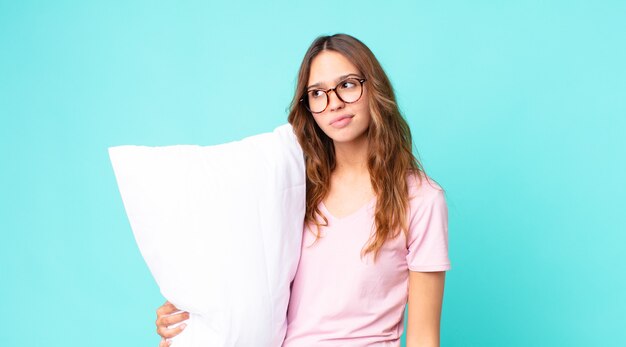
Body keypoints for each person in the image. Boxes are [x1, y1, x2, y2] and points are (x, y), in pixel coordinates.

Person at [155, 33, 450, 347]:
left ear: (373, 88)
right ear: (308, 106)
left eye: (348, 84)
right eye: (317, 93)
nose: (334, 102)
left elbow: (423, 337)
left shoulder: (421, 199)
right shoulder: (291, 187)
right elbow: (244, 286)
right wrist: (187, 318)